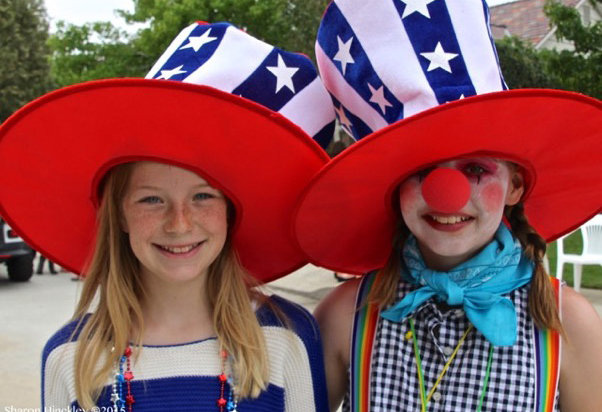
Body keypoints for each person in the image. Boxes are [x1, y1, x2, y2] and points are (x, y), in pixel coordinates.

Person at [0, 22, 335, 410]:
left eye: (203, 196)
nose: (179, 223)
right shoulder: (70, 356)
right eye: (151, 200)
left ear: (230, 211)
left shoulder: (288, 337)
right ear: (119, 214)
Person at [293, 0, 602, 411]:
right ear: (395, 187)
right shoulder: (344, 316)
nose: (447, 192)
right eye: (423, 170)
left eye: (475, 168)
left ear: (515, 186)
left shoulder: (570, 326)